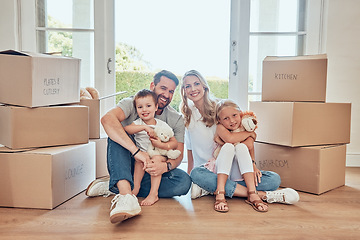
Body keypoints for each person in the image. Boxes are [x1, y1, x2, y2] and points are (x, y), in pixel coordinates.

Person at [180, 69, 299, 212]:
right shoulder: (187, 116)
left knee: (273, 179)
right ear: (184, 91)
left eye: (196, 84)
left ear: (204, 86)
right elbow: (190, 150)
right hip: (208, 171)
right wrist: (190, 178)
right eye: (188, 86)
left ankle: (214, 189)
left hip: (234, 167)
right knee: (196, 174)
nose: (193, 89)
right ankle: (259, 195)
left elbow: (247, 137)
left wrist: (253, 164)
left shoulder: (221, 108)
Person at [85, 70, 191, 224]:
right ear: (152, 85)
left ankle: (118, 186)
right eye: (163, 88)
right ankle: (127, 197)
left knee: (183, 182)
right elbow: (107, 120)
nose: (166, 95)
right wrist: (137, 153)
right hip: (129, 162)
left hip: (153, 168)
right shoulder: (134, 103)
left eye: (171, 91)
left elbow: (179, 153)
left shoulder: (175, 119)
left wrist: (165, 166)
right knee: (117, 133)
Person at [124, 89, 180, 206]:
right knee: (139, 162)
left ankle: (153, 193)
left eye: (148, 106)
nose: (144, 109)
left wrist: (161, 145)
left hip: (158, 155)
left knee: (156, 160)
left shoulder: (161, 125)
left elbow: (174, 142)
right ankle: (136, 188)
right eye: (140, 107)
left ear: (155, 107)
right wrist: (144, 128)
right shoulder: (138, 123)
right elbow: (127, 129)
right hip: (143, 154)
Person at [212, 99, 268, 212]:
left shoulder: (243, 126)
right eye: (226, 118)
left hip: (241, 173)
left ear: (240, 113)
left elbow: (249, 145)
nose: (232, 121)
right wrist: (250, 133)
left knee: (274, 179)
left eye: (234, 115)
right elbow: (230, 139)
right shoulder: (220, 127)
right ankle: (221, 191)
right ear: (219, 120)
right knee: (228, 147)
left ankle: (250, 192)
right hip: (222, 173)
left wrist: (253, 165)